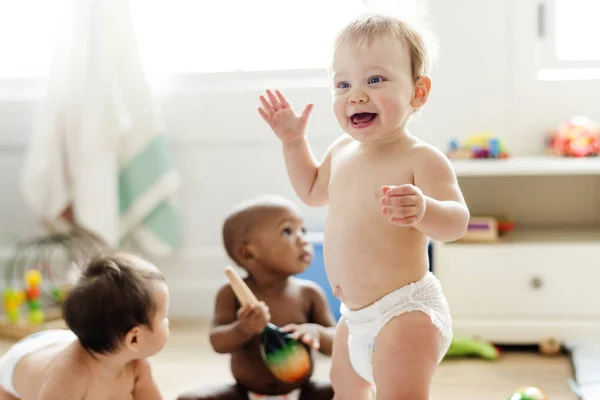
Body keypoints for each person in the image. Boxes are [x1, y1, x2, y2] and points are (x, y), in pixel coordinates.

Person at [257, 11, 470, 400]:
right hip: (353, 317)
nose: (356, 94)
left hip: (405, 312)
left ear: (418, 92)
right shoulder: (341, 151)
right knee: (346, 390)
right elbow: (311, 192)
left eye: (375, 79)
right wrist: (293, 145)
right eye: (343, 83)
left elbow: (457, 223)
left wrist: (424, 210)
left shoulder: (422, 159)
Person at [177, 195, 336, 400]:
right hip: (245, 394)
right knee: (190, 399)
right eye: (287, 231)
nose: (303, 239)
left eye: (302, 230)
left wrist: (318, 333)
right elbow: (218, 342)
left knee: (350, 391)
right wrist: (243, 328)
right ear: (249, 253)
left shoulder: (309, 293)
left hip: (302, 393)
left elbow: (337, 342)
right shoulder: (232, 293)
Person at [0, 252, 169, 400]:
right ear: (134, 339)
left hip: (63, 339)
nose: (167, 322)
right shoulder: (67, 378)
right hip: (19, 363)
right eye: (163, 318)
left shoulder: (138, 366)